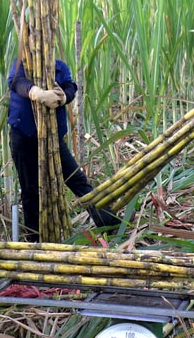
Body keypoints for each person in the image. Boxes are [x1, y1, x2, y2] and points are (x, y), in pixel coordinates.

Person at [8, 57, 120, 242]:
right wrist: (36, 93)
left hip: (53, 137)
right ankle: (34, 237)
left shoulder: (59, 65)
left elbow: (70, 86)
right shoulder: (22, 62)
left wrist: (63, 97)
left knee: (76, 179)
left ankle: (109, 223)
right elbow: (16, 82)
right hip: (23, 134)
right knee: (30, 188)